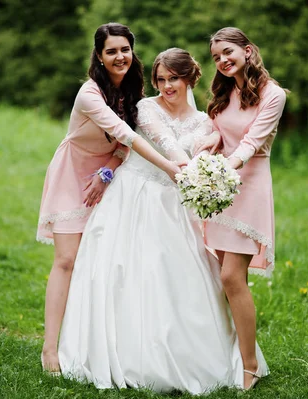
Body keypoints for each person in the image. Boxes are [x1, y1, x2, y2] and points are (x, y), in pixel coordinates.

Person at [57, 48, 268, 394]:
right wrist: (184, 166)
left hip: (174, 204)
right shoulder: (145, 108)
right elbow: (165, 142)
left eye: (174, 79)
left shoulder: (204, 123)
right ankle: (126, 354)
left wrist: (206, 153)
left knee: (179, 273)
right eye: (161, 79)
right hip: (134, 196)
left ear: (189, 79)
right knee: (126, 272)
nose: (167, 86)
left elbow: (210, 145)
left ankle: (192, 354)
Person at [37, 23, 181, 374]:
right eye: (112, 51)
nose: (120, 57)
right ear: (99, 57)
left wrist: (107, 174)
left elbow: (121, 148)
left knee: (101, 260)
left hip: (111, 177)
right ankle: (50, 348)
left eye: (125, 50)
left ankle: (94, 342)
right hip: (73, 175)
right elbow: (125, 134)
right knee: (67, 260)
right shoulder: (90, 94)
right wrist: (171, 168)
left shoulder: (132, 92)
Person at [195, 27, 287, 389]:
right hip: (219, 188)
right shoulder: (224, 93)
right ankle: (226, 354)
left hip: (249, 187)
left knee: (232, 276)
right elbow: (216, 132)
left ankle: (249, 366)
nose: (222, 60)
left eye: (228, 52)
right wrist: (204, 154)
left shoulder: (272, 94)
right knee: (223, 278)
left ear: (248, 50)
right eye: (217, 57)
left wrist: (222, 168)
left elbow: (251, 143)